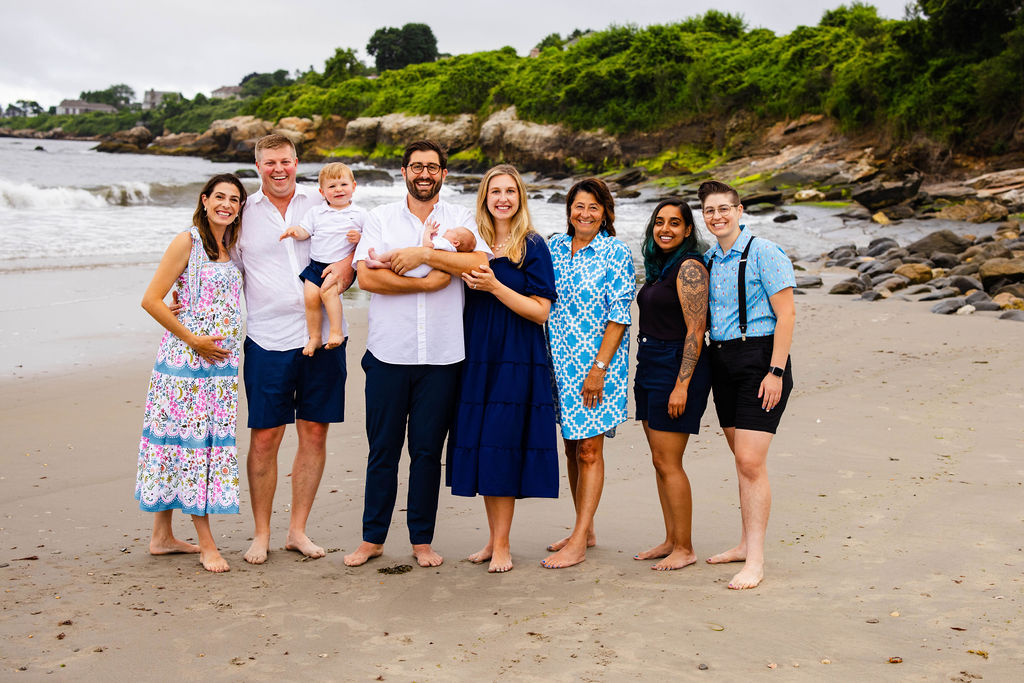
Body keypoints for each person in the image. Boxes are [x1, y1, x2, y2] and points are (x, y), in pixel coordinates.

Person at [344, 140, 491, 569]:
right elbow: (367, 281)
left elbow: (480, 264)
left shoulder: (461, 218)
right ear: (403, 172)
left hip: (444, 357)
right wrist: (427, 283)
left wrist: (424, 256)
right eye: (416, 167)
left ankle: (421, 539)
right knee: (383, 450)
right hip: (389, 352)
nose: (423, 174)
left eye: (432, 167)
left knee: (427, 451)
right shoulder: (380, 218)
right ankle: (372, 539)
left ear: (444, 173)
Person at [234, 134, 355, 565]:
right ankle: (261, 533)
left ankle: (297, 530)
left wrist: (349, 269)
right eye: (270, 163)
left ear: (297, 162)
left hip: (322, 337)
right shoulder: (242, 214)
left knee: (315, 432)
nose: (279, 169)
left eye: (285, 161)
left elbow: (352, 252)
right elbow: (220, 268)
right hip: (266, 339)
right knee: (265, 437)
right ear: (257, 166)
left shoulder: (321, 204)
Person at [447, 164, 559, 573]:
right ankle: (492, 539)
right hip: (476, 353)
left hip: (516, 354)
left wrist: (496, 285)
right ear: (484, 197)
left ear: (520, 198)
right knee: (483, 444)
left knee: (503, 443)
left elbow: (541, 311)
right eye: (495, 191)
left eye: (510, 191)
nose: (503, 199)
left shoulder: (532, 245)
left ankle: (504, 545)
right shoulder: (472, 243)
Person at [134, 173, 247, 573]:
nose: (227, 205)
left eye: (235, 200)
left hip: (219, 368)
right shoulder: (189, 241)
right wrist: (194, 339)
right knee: (195, 446)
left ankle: (162, 537)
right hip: (187, 366)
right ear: (204, 200)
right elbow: (151, 300)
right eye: (220, 196)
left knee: (180, 445)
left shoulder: (231, 245)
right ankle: (206, 544)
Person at [699, 179, 796, 590]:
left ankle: (755, 559)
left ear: (740, 211)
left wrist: (775, 372)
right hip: (722, 362)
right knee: (741, 460)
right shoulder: (707, 260)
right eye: (709, 211)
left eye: (724, 208)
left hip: (760, 361)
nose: (717, 216)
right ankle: (743, 543)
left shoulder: (765, 252)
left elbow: (787, 315)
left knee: (751, 463)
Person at [544, 178, 635, 569]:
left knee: (588, 449)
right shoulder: (554, 248)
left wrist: (598, 369)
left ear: (605, 213)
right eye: (579, 206)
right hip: (557, 364)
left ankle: (579, 540)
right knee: (570, 445)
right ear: (569, 210)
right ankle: (586, 526)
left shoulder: (616, 253)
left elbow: (619, 315)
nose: (585, 214)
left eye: (593, 208)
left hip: (598, 367)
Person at [632, 199, 712, 571]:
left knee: (669, 461)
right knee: (659, 461)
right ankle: (670, 539)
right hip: (649, 362)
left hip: (674, 365)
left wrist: (682, 384)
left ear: (687, 230)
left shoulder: (690, 267)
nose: (665, 228)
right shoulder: (661, 266)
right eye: (660, 222)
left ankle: (686, 547)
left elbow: (696, 330)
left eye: (674, 223)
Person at [279, 162, 366, 357]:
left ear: (354, 186)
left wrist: (360, 238)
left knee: (327, 293)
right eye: (332, 186)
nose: (338, 190)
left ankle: (336, 332)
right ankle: (315, 337)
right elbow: (305, 231)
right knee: (310, 297)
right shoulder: (316, 212)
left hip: (339, 267)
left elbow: (370, 241)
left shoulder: (360, 214)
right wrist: (295, 231)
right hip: (316, 264)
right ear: (322, 191)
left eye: (343, 185)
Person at [365, 221, 476, 275]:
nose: (448, 230)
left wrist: (427, 232)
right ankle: (378, 265)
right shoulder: (450, 251)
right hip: (419, 271)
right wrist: (432, 237)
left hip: (416, 267)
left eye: (452, 231)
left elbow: (427, 246)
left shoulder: (446, 244)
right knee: (393, 264)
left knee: (397, 252)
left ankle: (379, 258)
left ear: (455, 243)